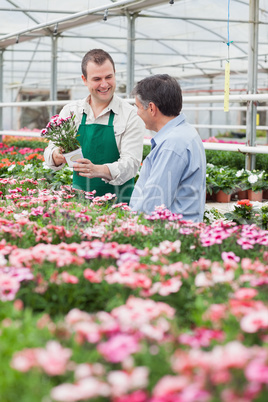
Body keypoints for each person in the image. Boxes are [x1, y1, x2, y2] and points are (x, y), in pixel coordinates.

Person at [44, 48, 145, 203]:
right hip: (79, 202)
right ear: (84, 79)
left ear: (115, 73)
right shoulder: (72, 111)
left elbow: (131, 165)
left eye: (109, 77)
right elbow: (50, 151)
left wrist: (97, 170)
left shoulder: (130, 115)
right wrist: (56, 156)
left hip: (119, 204)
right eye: (97, 79)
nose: (104, 84)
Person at [129, 74, 206, 222]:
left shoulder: (172, 145)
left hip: (169, 234)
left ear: (151, 108)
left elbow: (152, 203)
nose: (137, 112)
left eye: (138, 107)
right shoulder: (184, 133)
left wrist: (127, 226)